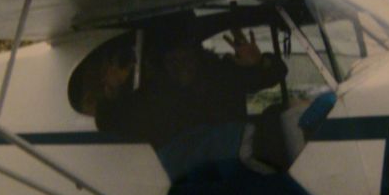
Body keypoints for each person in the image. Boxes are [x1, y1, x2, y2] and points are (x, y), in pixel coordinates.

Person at [95, 26, 287, 180]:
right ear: (161, 64)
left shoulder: (222, 74)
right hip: (186, 181)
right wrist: (112, 93)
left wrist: (259, 61)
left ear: (197, 56)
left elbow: (275, 73)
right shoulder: (152, 94)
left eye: (186, 57)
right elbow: (111, 124)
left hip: (234, 168)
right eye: (173, 60)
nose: (181, 65)